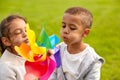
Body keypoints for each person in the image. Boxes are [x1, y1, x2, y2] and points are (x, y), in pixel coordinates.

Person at [49, 6, 104, 80]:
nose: (65, 30)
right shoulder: (58, 50)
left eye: (72, 28)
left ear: (85, 33)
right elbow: (53, 73)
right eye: (63, 26)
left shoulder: (92, 61)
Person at [0, 14, 29, 80]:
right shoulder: (6, 68)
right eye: (18, 32)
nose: (25, 34)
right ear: (6, 41)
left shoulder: (28, 55)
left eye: (26, 30)